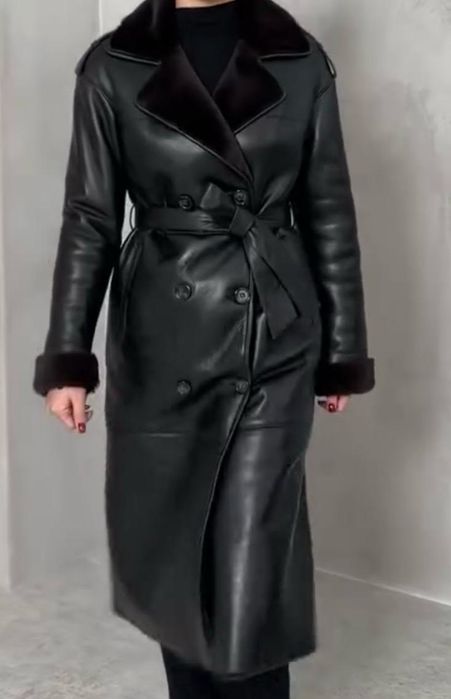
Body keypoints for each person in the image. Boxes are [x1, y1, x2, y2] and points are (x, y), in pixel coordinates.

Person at [32, 0, 375, 696]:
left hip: (272, 337)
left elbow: (328, 209)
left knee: (250, 574)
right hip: (161, 341)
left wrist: (342, 349)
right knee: (177, 559)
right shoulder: (113, 67)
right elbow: (90, 217)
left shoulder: (299, 61)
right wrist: (69, 356)